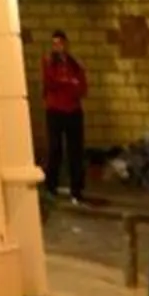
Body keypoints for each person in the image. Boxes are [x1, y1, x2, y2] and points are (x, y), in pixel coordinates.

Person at [43, 30, 88, 201]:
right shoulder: (48, 62)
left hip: (73, 110)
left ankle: (76, 189)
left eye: (61, 43)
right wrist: (69, 83)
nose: (58, 47)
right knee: (55, 149)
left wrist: (69, 84)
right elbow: (50, 83)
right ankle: (51, 187)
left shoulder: (74, 64)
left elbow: (82, 87)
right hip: (55, 110)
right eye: (55, 44)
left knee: (76, 151)